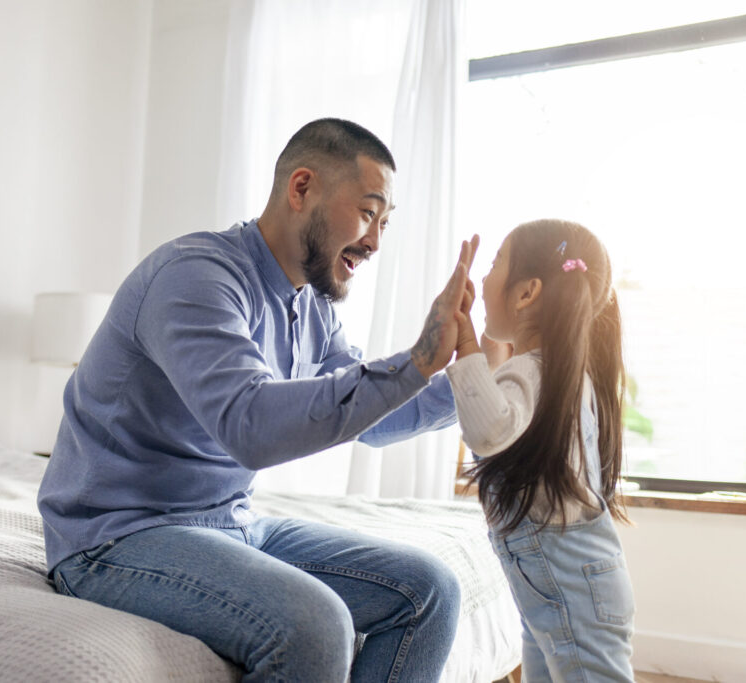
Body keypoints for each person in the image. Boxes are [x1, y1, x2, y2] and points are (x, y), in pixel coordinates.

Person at [37, 118, 480, 682]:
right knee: (315, 624)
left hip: (229, 522)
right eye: (369, 213)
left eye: (385, 223)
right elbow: (250, 427)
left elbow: (373, 417)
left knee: (428, 592)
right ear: (301, 189)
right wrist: (417, 359)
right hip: (115, 536)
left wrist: (470, 379)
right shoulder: (196, 277)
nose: (374, 243)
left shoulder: (311, 307)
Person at [445, 219, 636, 682]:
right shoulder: (554, 373)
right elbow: (504, 412)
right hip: (560, 586)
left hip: (568, 585)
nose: (486, 277)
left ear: (526, 293)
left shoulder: (534, 373)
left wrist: (465, 337)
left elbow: (490, 428)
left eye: (494, 265)